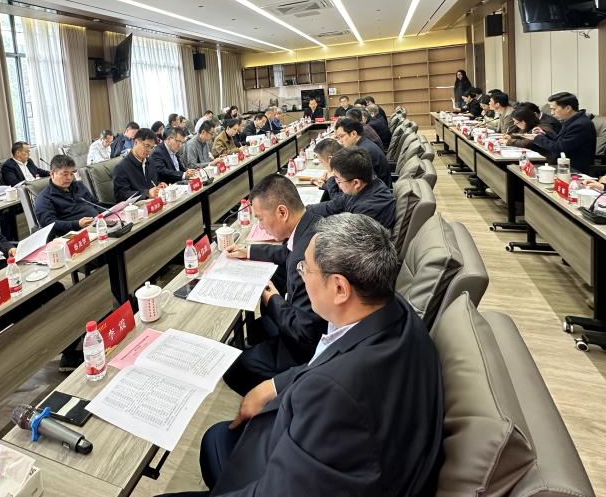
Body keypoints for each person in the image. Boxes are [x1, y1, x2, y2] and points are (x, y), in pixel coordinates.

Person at [167, 213, 443, 497]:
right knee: (217, 437)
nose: (300, 275)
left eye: (304, 269)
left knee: (214, 441)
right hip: (329, 447)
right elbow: (330, 361)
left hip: (298, 467)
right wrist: (274, 385)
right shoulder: (396, 308)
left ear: (339, 288)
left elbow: (280, 490)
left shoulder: (333, 393)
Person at [221, 176, 324, 395]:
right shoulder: (310, 223)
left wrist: (273, 299)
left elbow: (304, 335)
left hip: (308, 352)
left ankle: (272, 405)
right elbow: (285, 252)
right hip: (308, 324)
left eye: (260, 219)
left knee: (232, 368)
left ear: (282, 212)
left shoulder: (304, 261)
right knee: (258, 327)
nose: (261, 226)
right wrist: (248, 251)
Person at [307, 148, 396, 228]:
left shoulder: (367, 211)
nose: (336, 182)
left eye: (338, 179)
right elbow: (335, 204)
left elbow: (344, 236)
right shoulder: (363, 185)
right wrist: (305, 210)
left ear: (356, 183)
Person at [530, 92, 596, 173]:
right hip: (563, 166)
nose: (552, 113)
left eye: (554, 109)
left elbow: (560, 148)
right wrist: (545, 134)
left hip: (574, 170)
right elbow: (561, 141)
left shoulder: (580, 125)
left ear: (568, 108)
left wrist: (537, 138)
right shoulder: (572, 120)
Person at [34, 154, 99, 236]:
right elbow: (49, 225)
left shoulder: (78, 186)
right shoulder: (44, 198)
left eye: (71, 174)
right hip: (74, 235)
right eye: (65, 174)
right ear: (52, 174)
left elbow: (95, 204)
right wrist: (77, 224)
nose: (69, 178)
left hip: (96, 224)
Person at [333, 117, 391, 187]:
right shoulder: (363, 143)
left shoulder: (364, 152)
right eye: (338, 137)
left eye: (341, 136)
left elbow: (359, 184)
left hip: (376, 190)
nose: (340, 141)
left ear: (353, 134)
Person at [112, 128, 164, 202]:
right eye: (146, 145)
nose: (149, 150)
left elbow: (153, 182)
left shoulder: (150, 162)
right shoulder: (121, 167)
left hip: (154, 203)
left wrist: (159, 185)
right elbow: (121, 195)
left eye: (152, 147)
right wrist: (147, 193)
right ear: (136, 142)